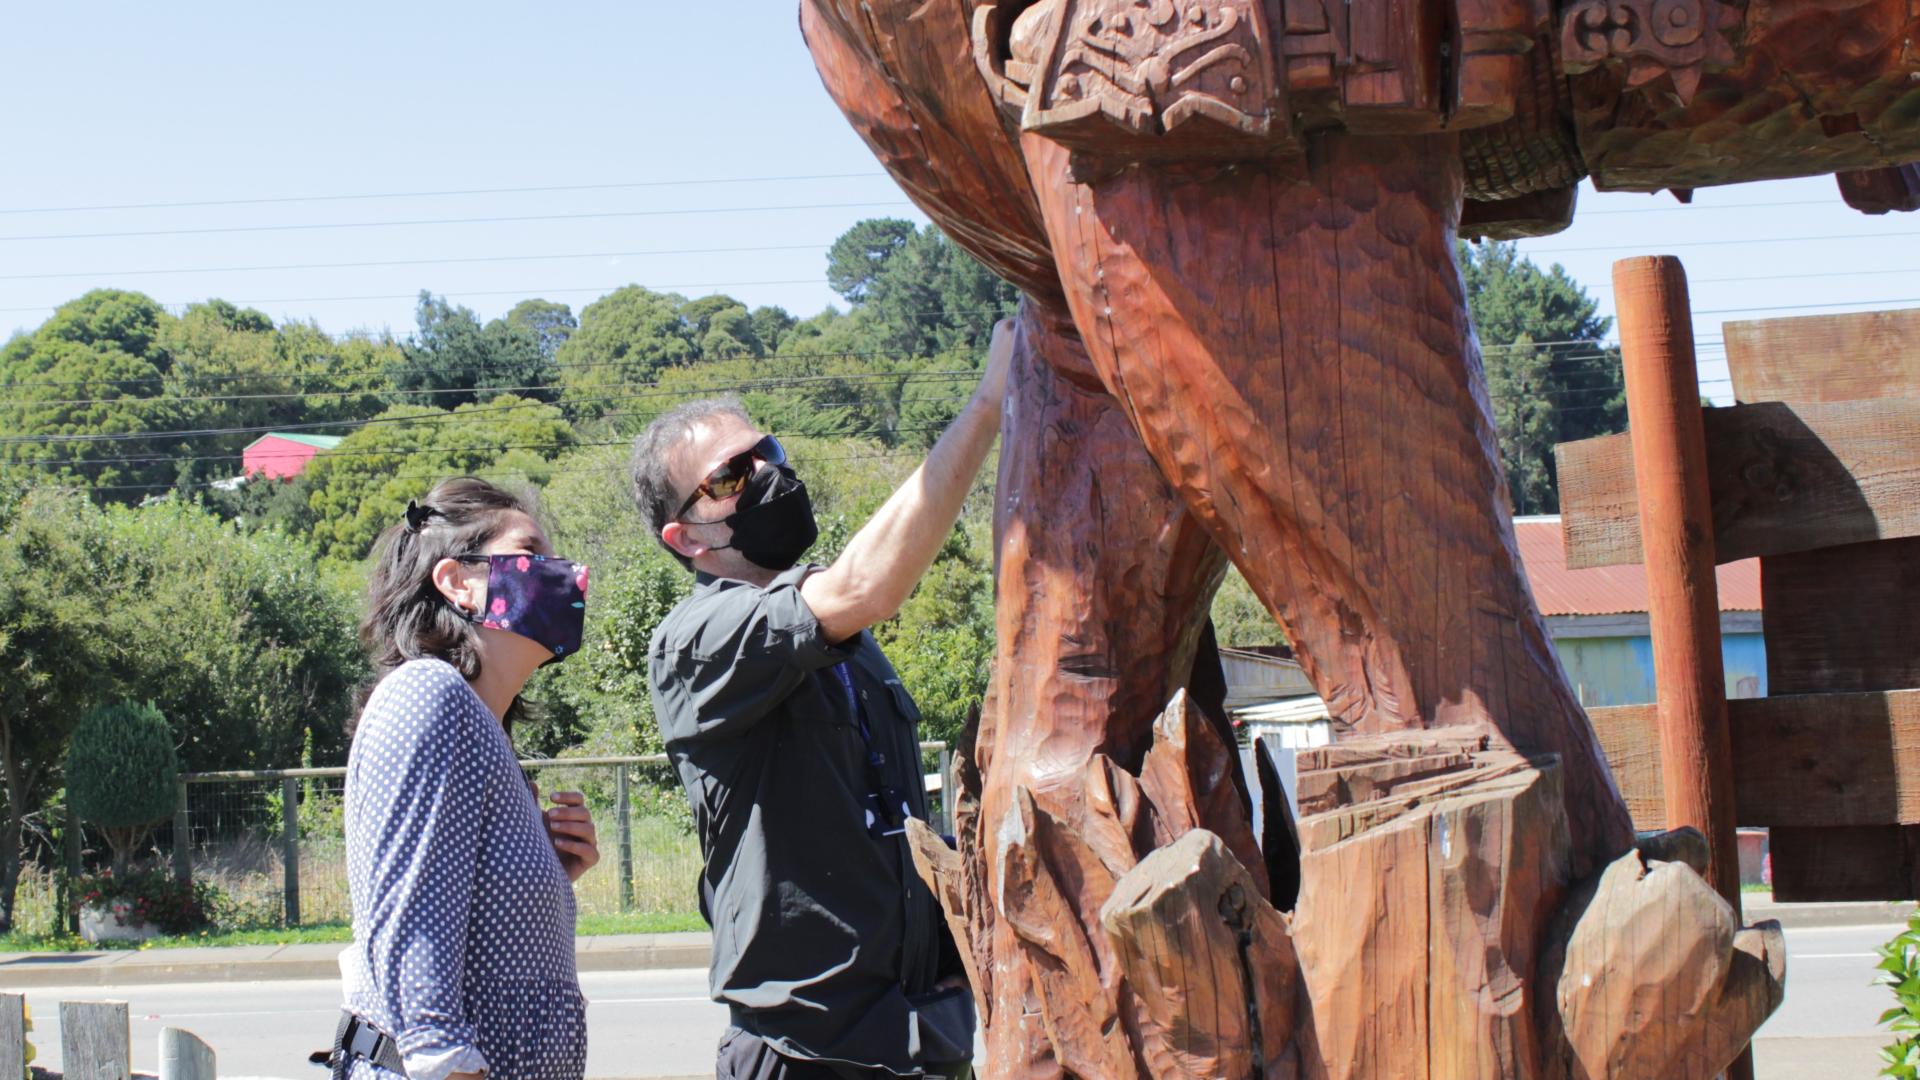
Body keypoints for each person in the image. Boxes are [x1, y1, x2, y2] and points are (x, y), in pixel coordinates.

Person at [632, 320, 1015, 1080]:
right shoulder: (697, 640)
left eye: (766, 452)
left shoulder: (847, 644)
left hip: (916, 1038)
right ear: (686, 538)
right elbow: (866, 585)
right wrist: (987, 406)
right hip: (808, 1055)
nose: (768, 473)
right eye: (731, 476)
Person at [333, 477, 601, 1080]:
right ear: (457, 581)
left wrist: (546, 870)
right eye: (533, 554)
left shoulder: (481, 729)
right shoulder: (430, 694)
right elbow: (410, 932)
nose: (565, 573)